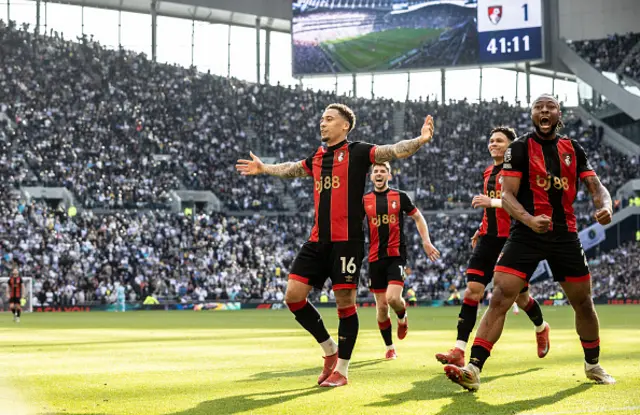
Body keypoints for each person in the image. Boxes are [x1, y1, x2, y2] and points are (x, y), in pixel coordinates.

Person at [236, 103, 435, 387]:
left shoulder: (359, 152)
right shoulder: (317, 157)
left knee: (345, 304)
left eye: (329, 119)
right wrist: (264, 168)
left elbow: (393, 150)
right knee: (293, 296)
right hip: (318, 240)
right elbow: (291, 169)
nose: (322, 123)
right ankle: (330, 350)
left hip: (346, 243)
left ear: (344, 126)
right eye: (322, 119)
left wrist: (420, 140)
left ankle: (342, 369)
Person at [444, 94, 616, 391]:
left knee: (583, 303)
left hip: (564, 234)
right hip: (526, 233)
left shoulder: (572, 148)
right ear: (533, 115)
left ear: (558, 113)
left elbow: (595, 186)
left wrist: (607, 206)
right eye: (539, 107)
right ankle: (473, 368)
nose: (544, 111)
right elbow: (508, 195)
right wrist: (529, 219)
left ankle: (593, 365)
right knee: (500, 295)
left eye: (550, 107)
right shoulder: (520, 148)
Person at [435, 127, 549, 368]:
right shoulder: (488, 171)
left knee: (520, 298)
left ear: (510, 147)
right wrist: (481, 225)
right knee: (471, 292)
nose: (493, 144)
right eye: (491, 140)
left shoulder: (520, 171)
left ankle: (541, 327)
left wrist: (492, 202)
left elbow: (522, 203)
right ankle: (459, 349)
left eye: (499, 140)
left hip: (514, 240)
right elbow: (492, 209)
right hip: (488, 237)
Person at [364, 162, 440, 360]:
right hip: (374, 258)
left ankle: (402, 317)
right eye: (376, 171)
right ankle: (390, 347)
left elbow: (418, 217)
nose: (379, 174)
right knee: (381, 307)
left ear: (389, 176)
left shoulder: (400, 197)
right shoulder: (364, 200)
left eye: (383, 171)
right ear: (371, 177)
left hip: (396, 255)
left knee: (393, 299)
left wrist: (426, 241)